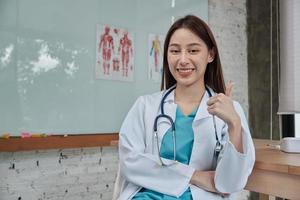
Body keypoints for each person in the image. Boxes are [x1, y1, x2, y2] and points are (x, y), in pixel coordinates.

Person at [116, 15, 255, 200]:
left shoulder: (230, 111)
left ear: (210, 55)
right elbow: (130, 162)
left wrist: (234, 125)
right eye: (175, 51)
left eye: (193, 50)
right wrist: (195, 176)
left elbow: (228, 184)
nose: (182, 60)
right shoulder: (145, 106)